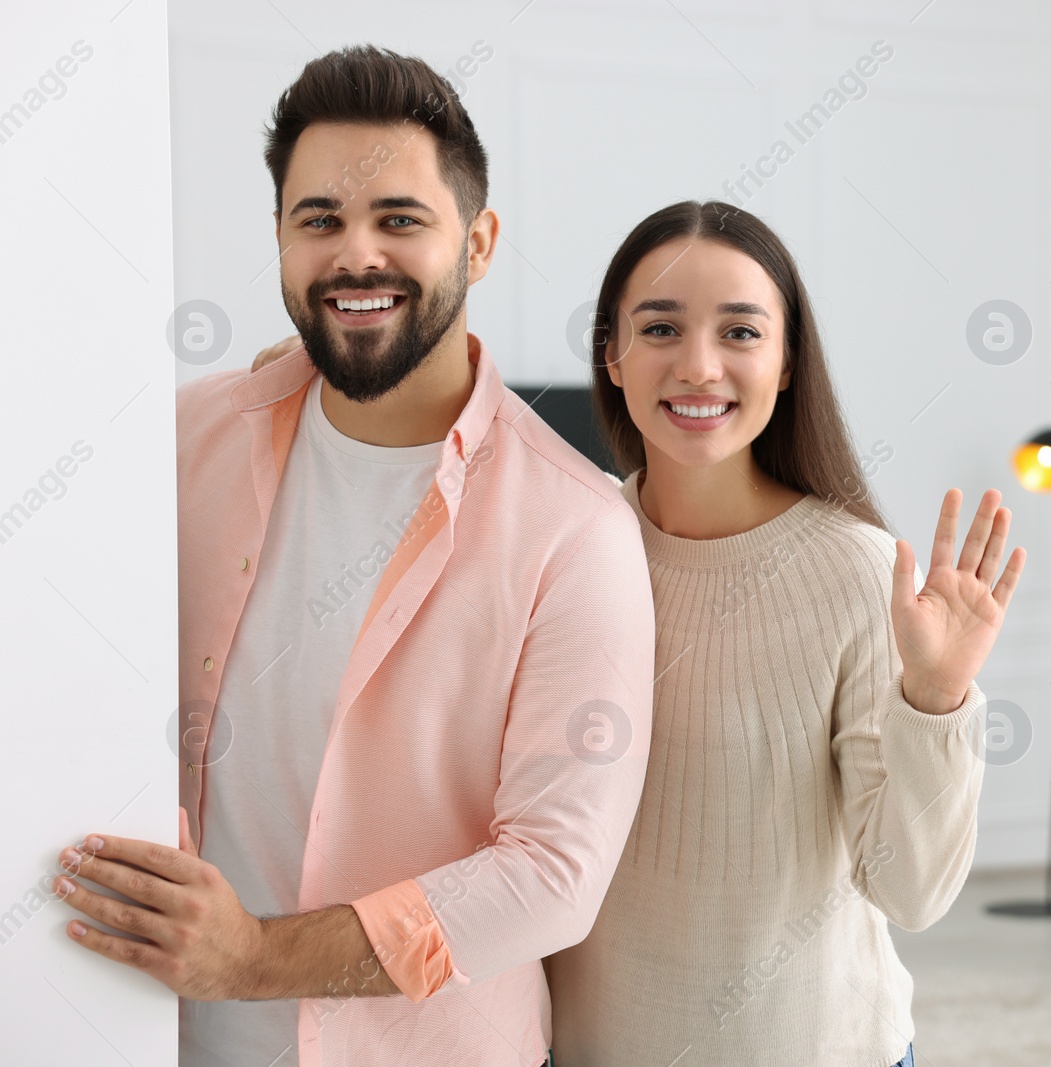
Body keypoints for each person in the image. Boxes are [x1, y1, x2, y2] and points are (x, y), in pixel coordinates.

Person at [251, 202, 1025, 1064]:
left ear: (787, 361)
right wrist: (338, 382)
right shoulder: (568, 538)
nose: (699, 367)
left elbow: (913, 892)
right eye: (660, 327)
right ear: (611, 357)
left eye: (740, 331)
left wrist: (937, 697)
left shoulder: (856, 572)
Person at [50, 46, 654, 1067]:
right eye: (319, 219)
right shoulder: (178, 444)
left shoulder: (575, 527)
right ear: (281, 239)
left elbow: (555, 871)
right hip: (147, 1034)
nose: (355, 254)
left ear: (479, 240)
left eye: (400, 220)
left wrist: (252, 957)